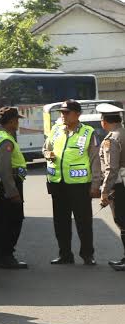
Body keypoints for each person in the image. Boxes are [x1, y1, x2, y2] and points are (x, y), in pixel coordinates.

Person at [43, 100, 102, 265]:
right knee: (60, 221)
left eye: (67, 112)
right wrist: (48, 154)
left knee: (83, 221)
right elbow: (45, 148)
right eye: (62, 112)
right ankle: (65, 254)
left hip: (80, 185)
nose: (63, 115)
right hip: (58, 183)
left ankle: (87, 255)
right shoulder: (55, 130)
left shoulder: (88, 132)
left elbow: (95, 160)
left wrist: (96, 185)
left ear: (77, 114)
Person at [0, 107, 30, 269]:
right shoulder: (6, 141)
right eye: (17, 120)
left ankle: (0, 254)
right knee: (12, 221)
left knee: (1, 221)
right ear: (11, 121)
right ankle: (6, 256)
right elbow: (5, 170)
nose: (18, 122)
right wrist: (13, 193)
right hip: (9, 184)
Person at [96, 103, 125, 270]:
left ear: (104, 121)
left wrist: (104, 191)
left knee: (122, 221)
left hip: (119, 186)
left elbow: (111, 168)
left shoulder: (112, 139)